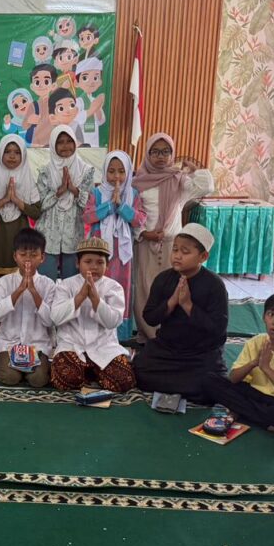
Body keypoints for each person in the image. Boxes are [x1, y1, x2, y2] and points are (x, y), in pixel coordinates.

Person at [201, 291, 274, 440]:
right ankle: (267, 424)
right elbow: (233, 379)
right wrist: (254, 362)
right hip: (256, 394)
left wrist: (266, 368)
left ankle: (242, 412)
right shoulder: (256, 342)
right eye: (271, 314)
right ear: (264, 317)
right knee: (209, 380)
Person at [132, 223, 228, 402]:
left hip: (200, 353)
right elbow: (150, 318)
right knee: (139, 371)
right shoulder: (163, 279)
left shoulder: (214, 285)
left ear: (203, 256)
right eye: (175, 249)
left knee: (211, 383)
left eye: (185, 252)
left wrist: (188, 305)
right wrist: (171, 302)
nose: (177, 256)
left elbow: (218, 330)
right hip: (168, 349)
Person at [132, 133, 214, 341]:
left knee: (173, 287)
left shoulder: (179, 180)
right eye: (155, 151)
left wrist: (193, 170)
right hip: (146, 242)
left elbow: (207, 187)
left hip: (173, 245)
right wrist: (144, 233)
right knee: (145, 287)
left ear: (172, 154)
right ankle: (148, 333)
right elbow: (132, 214)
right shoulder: (138, 182)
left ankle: (169, 331)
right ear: (148, 154)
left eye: (166, 151)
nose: (161, 156)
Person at [47, 238, 135, 392]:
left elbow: (113, 322)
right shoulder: (65, 286)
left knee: (125, 381)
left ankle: (91, 372)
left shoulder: (114, 287)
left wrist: (96, 300)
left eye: (100, 262)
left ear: (107, 265)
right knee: (65, 379)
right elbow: (55, 317)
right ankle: (90, 373)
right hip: (72, 346)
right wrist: (80, 296)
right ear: (77, 263)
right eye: (88, 261)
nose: (94, 267)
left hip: (104, 347)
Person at [83, 152, 146, 341]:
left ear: (128, 172)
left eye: (121, 171)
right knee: (98, 284)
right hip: (99, 248)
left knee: (121, 287)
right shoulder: (97, 193)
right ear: (105, 172)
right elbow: (87, 216)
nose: (116, 176)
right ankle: (96, 329)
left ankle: (119, 334)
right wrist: (110, 206)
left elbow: (140, 220)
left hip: (122, 250)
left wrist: (122, 206)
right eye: (111, 171)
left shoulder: (133, 194)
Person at [0, 228, 56, 387]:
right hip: (9, 344)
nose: (28, 260)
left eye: (33, 255)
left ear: (42, 257)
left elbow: (49, 321)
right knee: (10, 377)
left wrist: (33, 291)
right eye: (23, 254)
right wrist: (19, 290)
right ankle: (13, 368)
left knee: (38, 380)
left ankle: (28, 371)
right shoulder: (4, 282)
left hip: (37, 345)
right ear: (15, 256)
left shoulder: (48, 284)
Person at [0, 134, 41, 296]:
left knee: (20, 268)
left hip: (20, 231)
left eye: (17, 152)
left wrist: (16, 200)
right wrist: (3, 200)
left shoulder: (28, 179)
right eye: (7, 151)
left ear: (23, 156)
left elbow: (36, 213)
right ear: (0, 154)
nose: (12, 156)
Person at [36, 126, 95, 281]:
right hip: (49, 234)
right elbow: (41, 205)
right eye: (60, 142)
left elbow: (88, 206)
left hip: (73, 233)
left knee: (72, 283)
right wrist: (59, 192)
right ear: (53, 145)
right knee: (46, 283)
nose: (65, 146)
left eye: (69, 141)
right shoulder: (45, 172)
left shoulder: (86, 171)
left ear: (75, 143)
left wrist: (74, 190)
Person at [74, 57, 105, 148]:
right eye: (85, 78)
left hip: (94, 139)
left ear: (100, 82)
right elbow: (75, 118)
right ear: (77, 83)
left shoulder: (94, 100)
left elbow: (101, 121)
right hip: (80, 139)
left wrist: (98, 109)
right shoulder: (78, 101)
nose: (91, 82)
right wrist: (91, 110)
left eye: (95, 78)